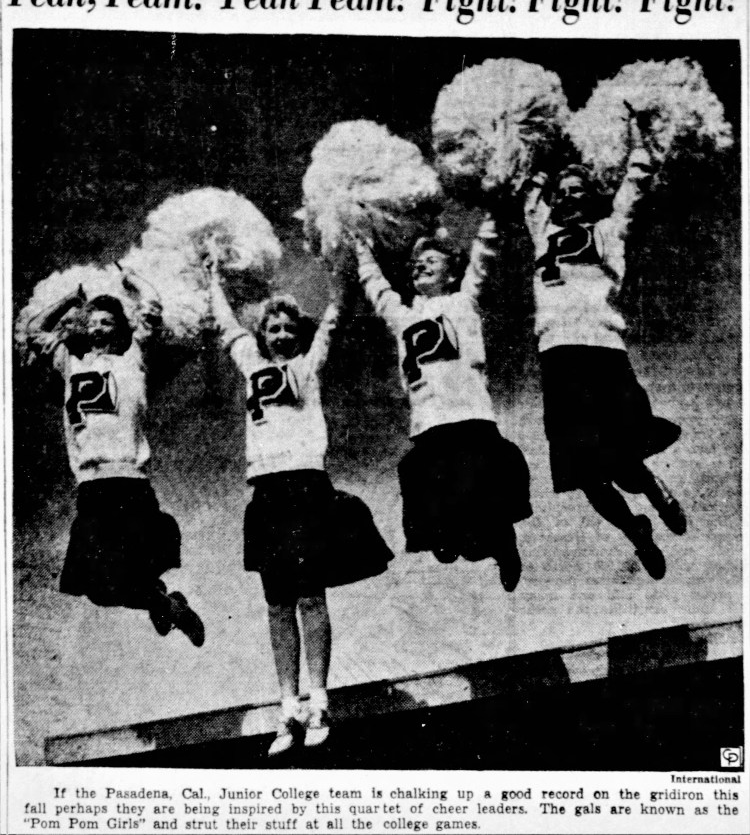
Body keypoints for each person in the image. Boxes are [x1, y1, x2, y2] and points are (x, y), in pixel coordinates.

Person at [206, 241, 392, 756]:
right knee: (276, 603)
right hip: (267, 491)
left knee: (311, 595)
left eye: (290, 328)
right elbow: (227, 326)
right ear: (262, 335)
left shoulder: (309, 365)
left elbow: (334, 316)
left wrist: (343, 270)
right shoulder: (250, 363)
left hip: (306, 486)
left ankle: (319, 701)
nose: (282, 335)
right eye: (273, 328)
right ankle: (287, 706)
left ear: (300, 334)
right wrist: (213, 279)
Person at [523, 113, 687, 580]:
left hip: (602, 349)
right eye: (561, 192)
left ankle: (655, 491)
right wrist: (542, 142)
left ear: (591, 196)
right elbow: (530, 195)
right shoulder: (542, 231)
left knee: (622, 454)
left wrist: (641, 139)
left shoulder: (608, 230)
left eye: (577, 189)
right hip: (558, 356)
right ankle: (637, 533)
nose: (567, 197)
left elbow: (634, 186)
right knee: (584, 472)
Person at [350, 218, 533, 592]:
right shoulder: (403, 316)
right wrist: (361, 249)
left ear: (451, 274)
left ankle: (504, 544)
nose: (421, 266)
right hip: (429, 426)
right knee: (447, 543)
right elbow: (376, 287)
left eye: (431, 261)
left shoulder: (463, 301)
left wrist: (491, 210)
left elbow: (483, 256)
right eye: (417, 264)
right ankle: (475, 540)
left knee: (482, 506)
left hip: (469, 418)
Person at [26, 267, 205, 644]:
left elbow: (152, 308)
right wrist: (69, 300)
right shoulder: (71, 364)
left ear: (120, 328)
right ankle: (167, 605)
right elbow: (35, 330)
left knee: (131, 573)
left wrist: (133, 279)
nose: (98, 328)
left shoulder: (132, 359)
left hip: (129, 483)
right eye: (92, 322)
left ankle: (164, 603)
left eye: (107, 322)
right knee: (98, 590)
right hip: (91, 487)